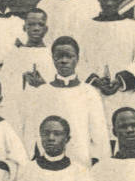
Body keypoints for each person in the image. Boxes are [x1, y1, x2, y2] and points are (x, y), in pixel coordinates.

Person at [18, 36, 108, 167]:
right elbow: (32, 130)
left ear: (77, 59)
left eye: (69, 56)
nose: (64, 61)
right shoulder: (42, 92)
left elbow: (99, 134)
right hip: (47, 161)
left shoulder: (89, 92)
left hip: (80, 160)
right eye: (59, 56)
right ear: (53, 59)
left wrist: (98, 162)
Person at [76, 0, 135, 87]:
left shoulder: (133, 28)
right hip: (92, 90)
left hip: (123, 93)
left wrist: (120, 80)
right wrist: (94, 80)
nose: (109, 3)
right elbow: (78, 60)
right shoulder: (85, 27)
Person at [0, 8, 56, 128]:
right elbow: (5, 85)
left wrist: (43, 85)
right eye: (31, 24)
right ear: (24, 27)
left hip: (45, 110)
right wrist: (20, 80)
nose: (36, 28)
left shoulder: (51, 54)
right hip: (19, 112)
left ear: (46, 29)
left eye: (40, 24)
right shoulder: (14, 54)